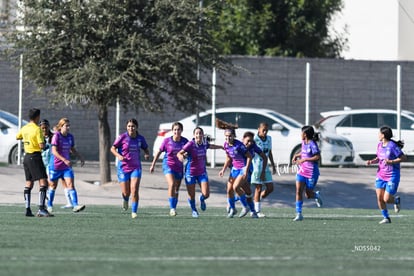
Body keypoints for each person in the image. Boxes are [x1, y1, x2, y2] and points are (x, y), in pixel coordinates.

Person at [177, 127, 223, 218]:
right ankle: (194, 210)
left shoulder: (205, 143)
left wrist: (221, 147)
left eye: (200, 133)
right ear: (194, 135)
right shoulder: (190, 144)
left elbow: (211, 146)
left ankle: (202, 199)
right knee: (191, 195)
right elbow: (179, 153)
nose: (198, 135)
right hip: (190, 173)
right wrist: (181, 157)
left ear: (202, 134)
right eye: (197, 133)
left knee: (206, 194)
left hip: (202, 172)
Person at [366, 126, 407, 224]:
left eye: (379, 133)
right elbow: (379, 158)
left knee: (387, 199)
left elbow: (404, 158)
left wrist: (391, 161)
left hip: (392, 175)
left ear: (383, 135)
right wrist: (371, 161)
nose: (378, 135)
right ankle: (386, 218)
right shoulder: (379, 145)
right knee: (380, 198)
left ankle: (396, 201)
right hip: (380, 175)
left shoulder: (392, 146)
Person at [16, 108, 52, 217]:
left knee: (29, 183)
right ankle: (41, 208)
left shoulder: (24, 127)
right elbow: (41, 145)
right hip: (35, 156)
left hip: (26, 157)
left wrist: (27, 140)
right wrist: (45, 145)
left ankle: (27, 209)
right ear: (37, 117)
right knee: (43, 182)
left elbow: (18, 136)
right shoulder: (37, 129)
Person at [111, 118, 150, 219]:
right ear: (126, 127)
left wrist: (146, 153)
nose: (131, 128)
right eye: (129, 126)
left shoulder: (140, 139)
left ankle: (134, 211)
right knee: (126, 192)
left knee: (134, 190)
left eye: (133, 126)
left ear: (136, 127)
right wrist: (118, 156)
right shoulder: (122, 137)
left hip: (136, 167)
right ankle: (125, 199)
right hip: (123, 168)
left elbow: (145, 148)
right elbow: (112, 148)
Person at [47, 118, 86, 213]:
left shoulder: (70, 137)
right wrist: (64, 159)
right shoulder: (56, 136)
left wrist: (80, 156)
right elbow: (54, 151)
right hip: (56, 166)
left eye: (69, 125)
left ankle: (75, 205)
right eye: (66, 126)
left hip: (66, 167)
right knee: (53, 186)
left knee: (71, 185)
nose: (68, 127)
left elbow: (72, 148)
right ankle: (49, 205)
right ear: (61, 126)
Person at [150, 122, 188, 216]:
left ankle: (174, 207)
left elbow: (189, 152)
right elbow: (159, 152)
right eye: (175, 129)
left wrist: (185, 156)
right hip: (168, 165)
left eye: (178, 129)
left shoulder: (185, 141)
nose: (176, 131)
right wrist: (153, 164)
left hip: (179, 167)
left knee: (176, 189)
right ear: (172, 131)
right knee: (172, 184)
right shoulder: (167, 141)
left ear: (181, 130)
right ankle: (171, 208)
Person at [219, 127, 255, 218]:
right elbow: (228, 158)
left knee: (236, 187)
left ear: (234, 136)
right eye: (226, 136)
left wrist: (246, 170)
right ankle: (233, 209)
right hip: (234, 169)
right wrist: (223, 170)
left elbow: (249, 156)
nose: (228, 138)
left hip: (242, 169)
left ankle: (245, 207)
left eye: (230, 136)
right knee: (229, 190)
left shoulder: (239, 145)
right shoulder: (226, 145)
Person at [291, 125, 323, 222]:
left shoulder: (312, 144)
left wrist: (305, 159)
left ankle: (316, 195)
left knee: (308, 195)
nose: (300, 134)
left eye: (301, 132)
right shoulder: (303, 142)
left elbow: (317, 157)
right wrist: (297, 155)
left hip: (312, 172)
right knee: (298, 191)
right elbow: (304, 152)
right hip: (302, 171)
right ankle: (299, 214)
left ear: (305, 134)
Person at [40, 119, 73, 210]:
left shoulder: (53, 136)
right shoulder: (38, 137)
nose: (44, 130)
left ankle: (69, 202)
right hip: (41, 162)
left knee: (62, 181)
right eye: (42, 128)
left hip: (52, 163)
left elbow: (59, 136)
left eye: (46, 128)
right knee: (44, 182)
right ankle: (45, 201)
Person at [251, 122, 276, 218]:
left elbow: (269, 152)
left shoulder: (269, 139)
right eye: (263, 130)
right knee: (258, 188)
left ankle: (257, 199)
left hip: (265, 167)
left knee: (270, 188)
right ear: (258, 129)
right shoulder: (254, 140)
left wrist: (273, 165)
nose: (265, 132)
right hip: (257, 167)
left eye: (266, 130)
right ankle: (256, 211)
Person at [241, 131, 267, 218]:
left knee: (247, 191)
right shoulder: (238, 145)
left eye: (251, 141)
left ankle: (252, 211)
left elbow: (264, 157)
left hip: (248, 170)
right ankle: (245, 207)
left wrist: (263, 171)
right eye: (248, 141)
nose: (249, 143)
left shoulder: (253, 146)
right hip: (238, 170)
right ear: (243, 139)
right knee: (241, 190)